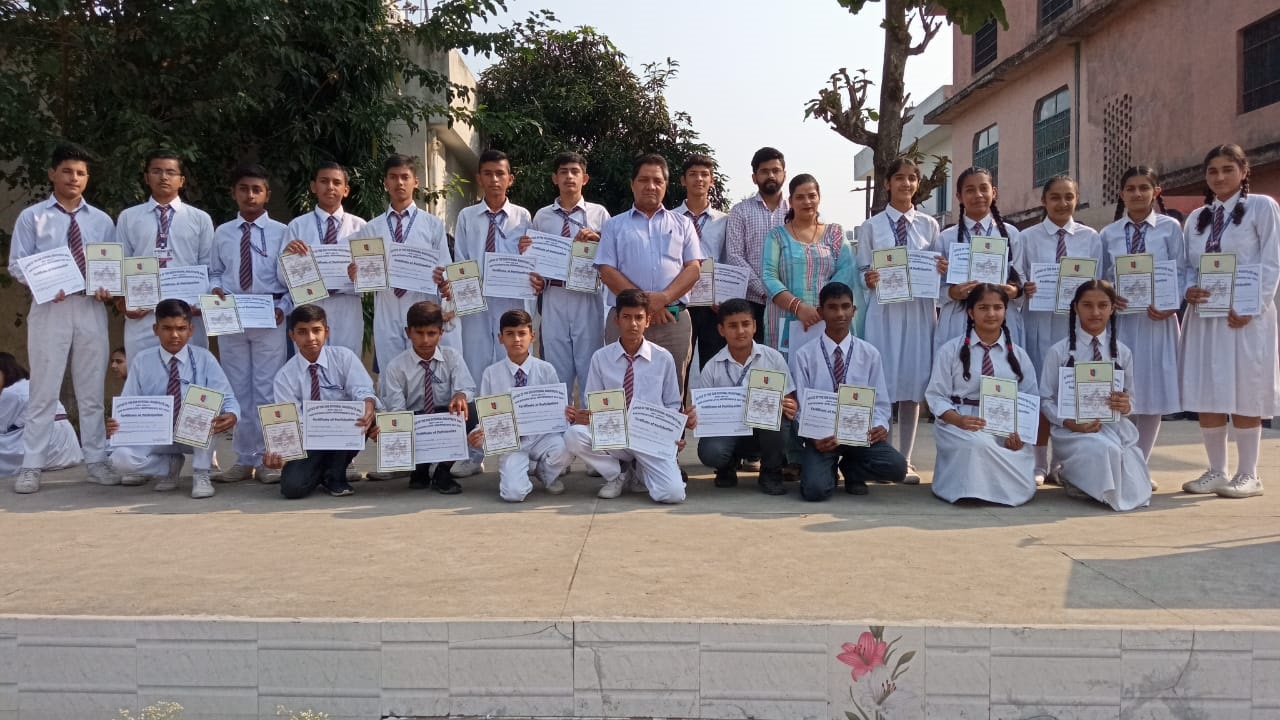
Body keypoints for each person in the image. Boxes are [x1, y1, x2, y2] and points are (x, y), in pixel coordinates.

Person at [7, 142, 117, 493]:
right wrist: (41, 282)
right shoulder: (33, 217)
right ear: (52, 173)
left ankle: (96, 461)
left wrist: (108, 287)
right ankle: (32, 465)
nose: (74, 178)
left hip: (90, 308)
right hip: (50, 308)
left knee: (91, 389)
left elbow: (111, 264)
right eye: (67, 171)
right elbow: (16, 264)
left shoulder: (101, 220)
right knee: (43, 390)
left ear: (88, 178)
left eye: (81, 173)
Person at [1179, 144, 1280, 498]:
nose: (1220, 177)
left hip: (1244, 317)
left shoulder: (1262, 207)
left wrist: (1253, 306)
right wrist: (1188, 288)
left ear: (1244, 171)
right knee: (1209, 389)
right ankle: (1217, 471)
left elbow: (1271, 261)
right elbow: (1187, 266)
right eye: (1213, 171)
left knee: (1245, 388)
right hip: (1206, 316)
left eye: (1227, 169)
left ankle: (1249, 474)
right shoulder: (1197, 218)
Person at [857, 158, 944, 484]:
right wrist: (869, 278)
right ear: (887, 183)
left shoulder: (929, 225)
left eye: (911, 178)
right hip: (885, 312)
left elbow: (936, 266)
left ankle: (905, 460)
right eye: (899, 178)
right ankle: (885, 459)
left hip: (918, 311)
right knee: (883, 384)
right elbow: (861, 268)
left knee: (912, 383)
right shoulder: (872, 226)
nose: (906, 184)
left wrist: (940, 269)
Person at [562, 289, 691, 503]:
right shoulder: (601, 358)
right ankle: (617, 473)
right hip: (614, 436)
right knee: (573, 435)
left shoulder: (663, 358)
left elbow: (672, 404)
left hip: (649, 438)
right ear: (617, 320)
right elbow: (593, 401)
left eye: (639, 317)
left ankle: (640, 472)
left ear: (648, 321)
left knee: (673, 494)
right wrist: (585, 416)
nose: (633, 324)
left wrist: (671, 433)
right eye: (626, 317)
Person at [106, 300, 238, 499]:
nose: (174, 335)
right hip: (156, 435)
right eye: (167, 328)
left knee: (206, 412)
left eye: (181, 328)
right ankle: (168, 466)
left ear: (191, 330)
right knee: (119, 459)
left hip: (194, 434)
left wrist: (232, 414)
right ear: (155, 329)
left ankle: (201, 473)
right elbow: (128, 403)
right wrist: (118, 423)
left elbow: (228, 397)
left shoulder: (205, 358)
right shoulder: (142, 360)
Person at [209, 163, 290, 484]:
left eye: (257, 190)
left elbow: (292, 277)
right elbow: (215, 271)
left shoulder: (283, 232)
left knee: (268, 389)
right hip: (231, 317)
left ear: (267, 195)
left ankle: (270, 457)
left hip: (270, 316)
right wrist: (215, 289)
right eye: (244, 189)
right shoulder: (223, 232)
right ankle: (244, 458)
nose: (250, 195)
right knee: (237, 388)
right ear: (234, 193)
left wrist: (283, 307)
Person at [595, 154, 705, 393]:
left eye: (657, 181)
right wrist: (645, 306)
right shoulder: (614, 225)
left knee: (672, 389)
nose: (651, 186)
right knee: (619, 386)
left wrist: (663, 299)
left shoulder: (683, 224)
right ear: (632, 184)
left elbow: (693, 269)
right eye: (644, 180)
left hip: (672, 320)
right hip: (626, 319)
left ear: (666, 185)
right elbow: (607, 271)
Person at [1020, 175, 1103, 484]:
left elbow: (1097, 283)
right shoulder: (1027, 238)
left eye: (1069, 197)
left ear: (1077, 199)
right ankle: (1039, 461)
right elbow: (1016, 278)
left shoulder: (1090, 238)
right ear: (1044, 201)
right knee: (1041, 392)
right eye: (1055, 197)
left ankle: (1061, 461)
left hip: (1075, 328)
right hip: (1039, 323)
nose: (1062, 203)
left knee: (1069, 392)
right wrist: (1025, 288)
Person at [788, 282, 906, 500]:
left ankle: (852, 470)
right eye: (832, 307)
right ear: (821, 311)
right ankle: (827, 469)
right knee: (815, 491)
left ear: (854, 310)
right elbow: (800, 406)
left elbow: (880, 402)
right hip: (823, 438)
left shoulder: (869, 354)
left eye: (845, 306)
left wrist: (879, 425)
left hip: (859, 435)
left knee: (897, 468)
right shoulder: (804, 355)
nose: (840, 314)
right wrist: (813, 437)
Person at [1040, 281, 1152, 511]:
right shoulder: (1059, 351)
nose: (1095, 312)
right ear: (1075, 308)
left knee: (1126, 459)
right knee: (1105, 450)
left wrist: (1124, 405)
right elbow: (1046, 399)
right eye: (1087, 305)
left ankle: (1088, 485)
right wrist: (1070, 422)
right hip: (1072, 430)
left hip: (1114, 428)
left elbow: (1132, 399)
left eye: (1102, 305)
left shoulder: (1122, 352)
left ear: (1112, 308)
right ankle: (1074, 476)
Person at [1100, 166, 1183, 467]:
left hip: (1157, 320)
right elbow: (1101, 277)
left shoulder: (1170, 228)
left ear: (1156, 192)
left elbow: (1182, 270)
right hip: (1121, 322)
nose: (1137, 194)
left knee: (1152, 390)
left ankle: (1141, 464)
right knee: (1122, 388)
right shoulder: (1108, 233)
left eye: (1144, 188)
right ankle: (1122, 460)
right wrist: (1110, 296)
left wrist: (1172, 303)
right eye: (1131, 188)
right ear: (1121, 194)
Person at [925, 284, 1038, 506]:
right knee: (977, 443)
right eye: (983, 308)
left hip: (1005, 425)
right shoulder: (950, 350)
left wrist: (1020, 434)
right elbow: (936, 396)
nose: (991, 314)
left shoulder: (1019, 355)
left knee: (1005, 448)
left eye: (998, 307)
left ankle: (1002, 490)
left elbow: (1029, 398)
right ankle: (969, 489)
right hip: (961, 422)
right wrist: (959, 420)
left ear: (1005, 311)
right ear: (971, 312)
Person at [524, 151, 611, 406]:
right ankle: (559, 421)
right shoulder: (542, 216)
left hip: (587, 296)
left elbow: (613, 255)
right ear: (555, 178)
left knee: (590, 363)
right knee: (556, 365)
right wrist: (536, 276)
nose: (569, 177)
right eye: (563, 172)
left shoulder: (599, 214)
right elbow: (536, 260)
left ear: (585, 178)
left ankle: (589, 421)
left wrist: (598, 240)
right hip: (554, 295)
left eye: (575, 172)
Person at [264, 305, 378, 499]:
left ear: (327, 331)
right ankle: (323, 471)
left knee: (367, 413)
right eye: (302, 332)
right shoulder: (285, 376)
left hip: (343, 436)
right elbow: (291, 423)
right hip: (310, 442)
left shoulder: (344, 357)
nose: (310, 338)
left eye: (316, 330)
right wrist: (280, 452)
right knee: (292, 488)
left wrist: (368, 404)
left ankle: (335, 475)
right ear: (292, 335)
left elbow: (363, 390)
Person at [115, 148, 216, 355]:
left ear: (182, 180)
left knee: (190, 371)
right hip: (143, 314)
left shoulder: (199, 219)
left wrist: (203, 302)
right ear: (146, 178)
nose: (163, 177)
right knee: (144, 371)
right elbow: (120, 265)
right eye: (156, 171)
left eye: (170, 172)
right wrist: (121, 301)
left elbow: (209, 266)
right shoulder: (129, 217)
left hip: (187, 314)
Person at [365, 154, 458, 378]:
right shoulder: (372, 228)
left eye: (405, 177)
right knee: (391, 371)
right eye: (393, 177)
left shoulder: (432, 224)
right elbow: (366, 271)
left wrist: (443, 285)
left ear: (415, 182)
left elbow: (445, 268)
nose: (399, 182)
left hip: (422, 303)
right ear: (385, 183)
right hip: (387, 305)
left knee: (424, 370)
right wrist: (359, 273)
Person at [444, 149, 534, 373]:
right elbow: (461, 258)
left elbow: (530, 259)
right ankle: (477, 397)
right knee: (475, 358)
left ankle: (513, 396)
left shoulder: (523, 216)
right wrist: (464, 292)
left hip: (510, 298)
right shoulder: (467, 216)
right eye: (488, 173)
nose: (494, 179)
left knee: (513, 357)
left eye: (500, 174)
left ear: (510, 179)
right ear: (479, 178)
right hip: (476, 299)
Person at [694, 299, 797, 495]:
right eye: (732, 326)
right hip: (728, 432)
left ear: (755, 326)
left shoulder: (773, 358)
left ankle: (771, 473)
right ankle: (726, 466)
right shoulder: (712, 367)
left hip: (762, 433)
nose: (740, 331)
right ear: (721, 330)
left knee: (780, 419)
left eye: (745, 324)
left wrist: (790, 406)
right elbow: (703, 414)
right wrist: (695, 417)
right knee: (711, 452)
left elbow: (790, 399)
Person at [468, 309, 571, 502]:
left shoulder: (545, 369)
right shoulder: (491, 374)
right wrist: (478, 434)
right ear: (500, 338)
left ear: (532, 336)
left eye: (522, 333)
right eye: (510, 334)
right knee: (514, 494)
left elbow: (558, 411)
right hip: (511, 441)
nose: (516, 339)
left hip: (541, 437)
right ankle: (520, 474)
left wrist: (566, 414)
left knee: (567, 446)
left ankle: (545, 473)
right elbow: (486, 415)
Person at [378, 301, 478, 494]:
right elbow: (397, 411)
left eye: (431, 333)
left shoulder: (452, 357)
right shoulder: (395, 367)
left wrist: (460, 395)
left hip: (444, 418)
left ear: (441, 333)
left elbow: (466, 388)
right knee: (396, 421)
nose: (425, 340)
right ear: (408, 332)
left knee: (470, 409)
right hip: (415, 420)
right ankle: (419, 468)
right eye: (419, 333)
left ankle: (443, 470)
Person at [284, 162, 368, 357]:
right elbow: (282, 278)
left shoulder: (360, 227)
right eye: (324, 181)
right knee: (309, 361)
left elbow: (374, 277)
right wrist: (288, 259)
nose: (330, 187)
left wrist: (361, 275)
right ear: (314, 186)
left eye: (336, 182)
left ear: (346, 190)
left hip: (347, 304)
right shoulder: (297, 226)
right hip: (309, 302)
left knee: (346, 359)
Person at [936, 167, 1025, 351]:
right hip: (958, 320)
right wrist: (953, 293)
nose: (978, 195)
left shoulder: (1011, 234)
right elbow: (935, 289)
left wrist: (1014, 291)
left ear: (994, 192)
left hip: (1000, 318)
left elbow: (1021, 278)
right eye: (970, 190)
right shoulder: (946, 238)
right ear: (959, 196)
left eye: (984, 188)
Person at [761, 174, 853, 351]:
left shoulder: (835, 233)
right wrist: (798, 307)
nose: (807, 202)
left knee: (826, 363)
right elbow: (768, 276)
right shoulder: (776, 236)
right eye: (800, 197)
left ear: (819, 198)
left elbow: (846, 272)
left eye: (812, 196)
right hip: (785, 316)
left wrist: (823, 308)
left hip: (826, 318)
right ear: (790, 201)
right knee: (785, 365)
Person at [724, 147, 789, 340]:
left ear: (784, 174)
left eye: (776, 170)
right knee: (755, 355)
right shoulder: (740, 211)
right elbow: (734, 256)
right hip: (753, 302)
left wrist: (782, 294)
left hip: (791, 300)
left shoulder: (795, 209)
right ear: (754, 177)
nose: (771, 175)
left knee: (789, 353)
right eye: (764, 171)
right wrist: (765, 291)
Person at [675, 154, 730, 371]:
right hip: (680, 299)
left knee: (713, 363)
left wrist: (723, 297)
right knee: (679, 362)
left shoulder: (724, 220)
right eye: (693, 174)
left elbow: (728, 259)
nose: (699, 179)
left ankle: (712, 396)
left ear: (712, 180)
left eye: (704, 174)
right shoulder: (671, 218)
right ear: (683, 180)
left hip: (713, 305)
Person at [0, 353, 82, 477]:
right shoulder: (32, 384)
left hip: (47, 446)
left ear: (6, 372)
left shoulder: (10, 393)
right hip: (67, 450)